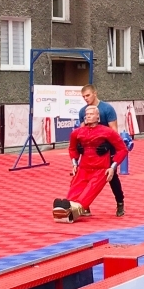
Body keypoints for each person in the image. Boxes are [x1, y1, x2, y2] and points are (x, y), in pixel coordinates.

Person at [53, 106, 127, 223]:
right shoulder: (77, 133)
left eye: (91, 114)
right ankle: (66, 207)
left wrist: (112, 167)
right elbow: (72, 149)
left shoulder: (107, 131)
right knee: (74, 190)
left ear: (98, 117)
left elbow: (122, 149)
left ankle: (76, 209)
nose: (88, 116)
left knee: (90, 191)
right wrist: (74, 164)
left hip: (101, 168)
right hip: (84, 167)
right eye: (86, 114)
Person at [80, 83, 127, 217]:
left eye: (88, 95)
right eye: (83, 97)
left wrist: (107, 145)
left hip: (107, 149)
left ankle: (120, 202)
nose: (86, 98)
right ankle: (84, 205)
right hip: (91, 151)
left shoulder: (107, 109)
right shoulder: (83, 111)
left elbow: (114, 131)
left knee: (111, 176)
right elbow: (82, 131)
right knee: (86, 177)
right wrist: (80, 145)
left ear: (95, 93)